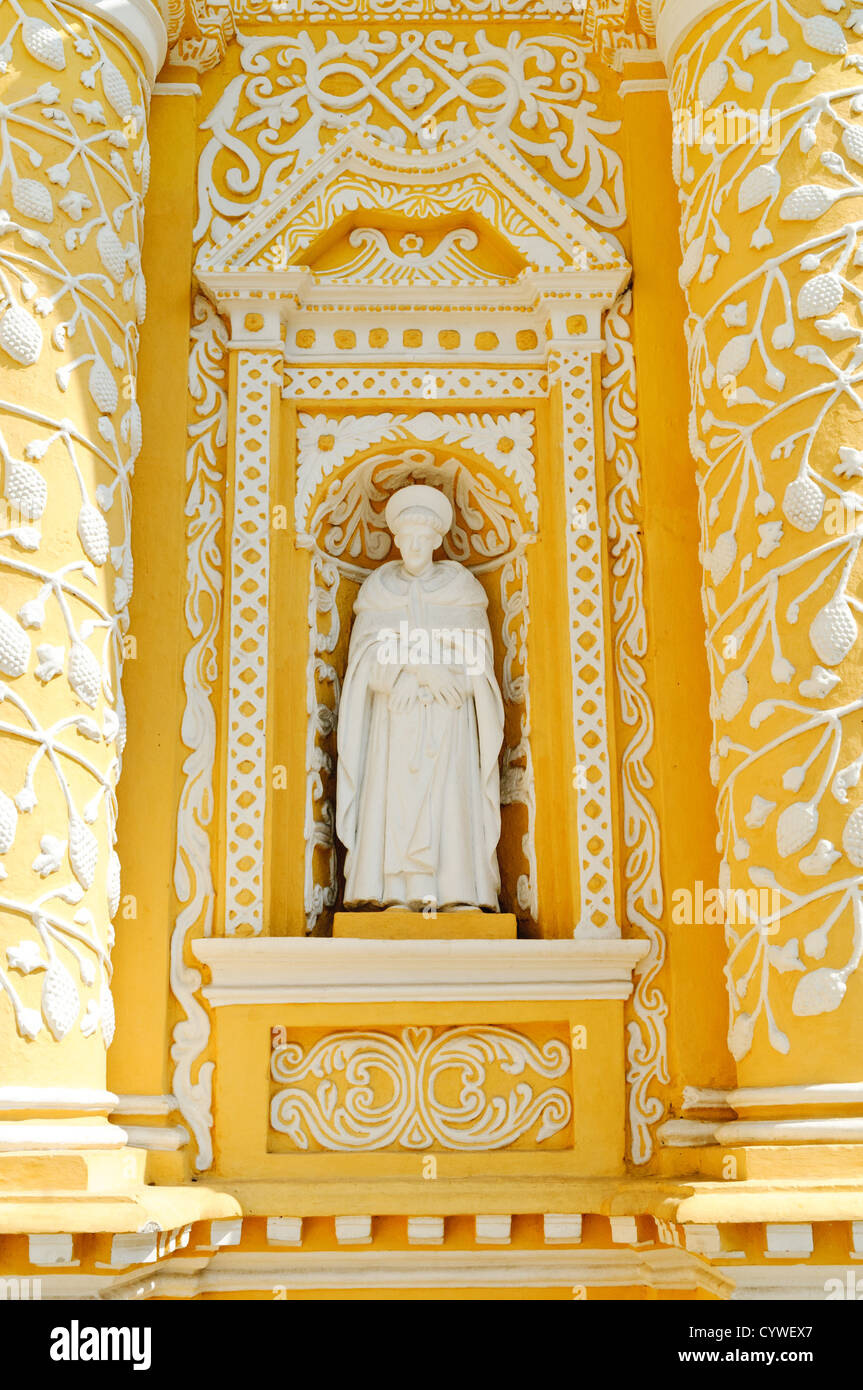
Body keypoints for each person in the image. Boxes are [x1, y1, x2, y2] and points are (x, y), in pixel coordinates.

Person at [336, 484, 504, 911]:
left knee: (448, 802)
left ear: (436, 541)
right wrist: (409, 669)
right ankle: (396, 893)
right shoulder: (378, 590)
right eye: (406, 537)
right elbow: (364, 663)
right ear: (395, 540)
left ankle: (456, 893)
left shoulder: (461, 588)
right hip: (395, 721)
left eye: (422, 538)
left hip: (448, 720)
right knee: (394, 802)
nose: (413, 546)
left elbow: (477, 662)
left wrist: (435, 672)